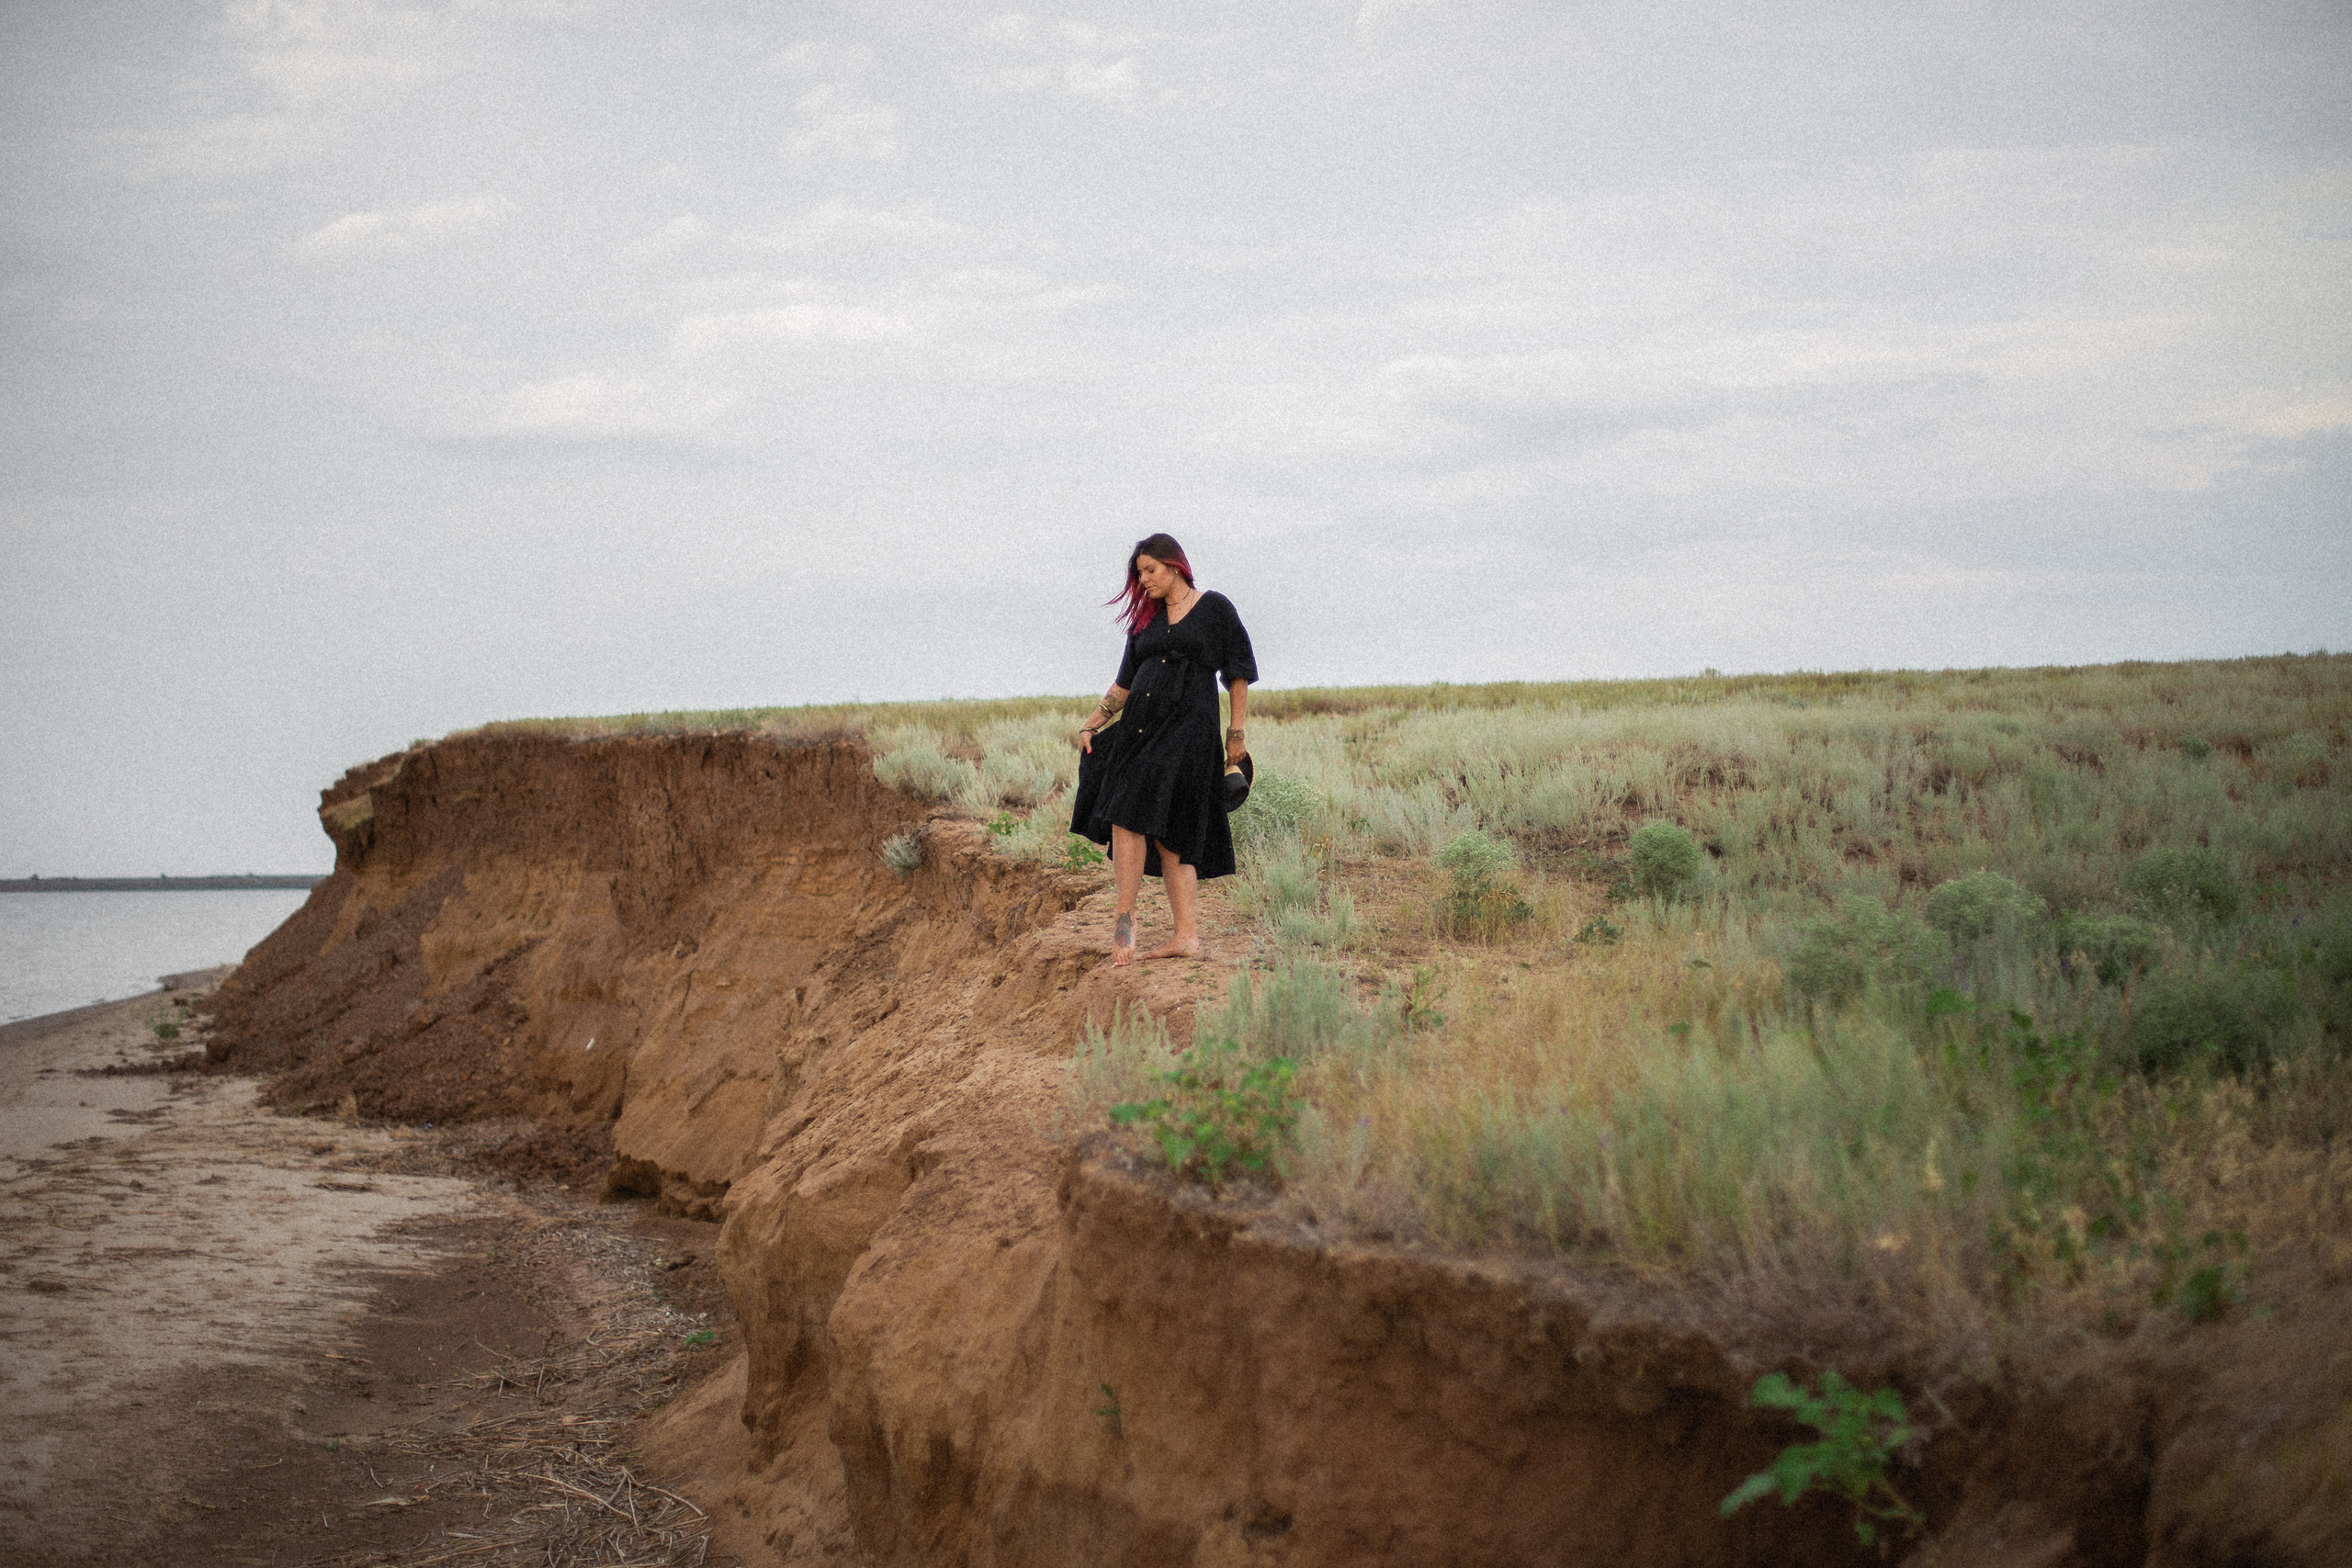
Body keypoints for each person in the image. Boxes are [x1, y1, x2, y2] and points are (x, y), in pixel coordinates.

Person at [1069, 534, 1257, 965]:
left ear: (1175, 566)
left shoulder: (1214, 609)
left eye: (1149, 570)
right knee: (1125, 809)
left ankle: (1186, 937)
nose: (1144, 580)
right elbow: (1124, 683)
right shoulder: (1146, 622)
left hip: (1191, 732)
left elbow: (1238, 674)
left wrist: (1237, 736)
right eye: (1139, 573)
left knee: (1177, 828)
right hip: (1140, 729)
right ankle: (1126, 916)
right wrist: (1092, 723)